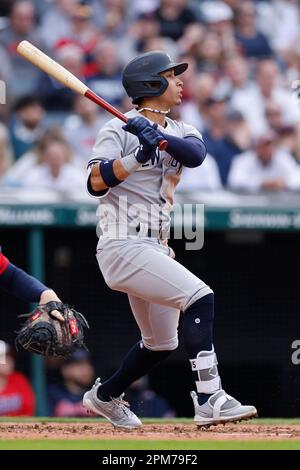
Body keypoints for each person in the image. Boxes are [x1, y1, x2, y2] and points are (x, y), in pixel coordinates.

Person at [83, 51, 257, 428]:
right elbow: (95, 183)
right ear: (150, 84)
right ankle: (210, 397)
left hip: (155, 244)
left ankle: (105, 395)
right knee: (201, 296)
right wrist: (136, 158)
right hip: (121, 242)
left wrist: (157, 139)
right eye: (171, 75)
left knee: (162, 343)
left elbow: (195, 155)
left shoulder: (182, 129)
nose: (179, 81)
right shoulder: (116, 130)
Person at [48, 350, 95, 417]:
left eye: (88, 364)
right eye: (79, 364)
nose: (86, 369)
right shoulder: (52, 393)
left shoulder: (95, 394)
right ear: (65, 370)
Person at [0, 341, 35, 416]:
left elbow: (28, 412)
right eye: (2, 357)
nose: (8, 360)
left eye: (9, 356)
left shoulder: (19, 380)